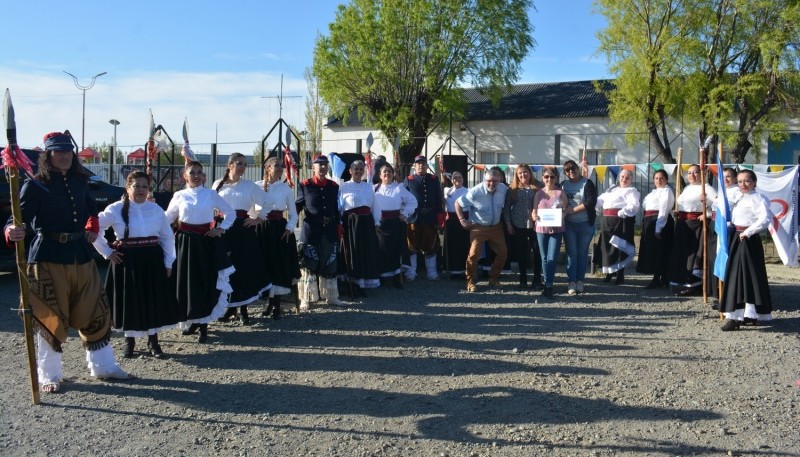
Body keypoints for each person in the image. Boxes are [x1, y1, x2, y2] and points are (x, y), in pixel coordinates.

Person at [4, 131, 132, 393]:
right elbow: (16, 219)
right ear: (48, 156)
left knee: (96, 310)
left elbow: (90, 213)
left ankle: (103, 366)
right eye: (57, 152)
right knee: (50, 315)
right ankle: (48, 373)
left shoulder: (80, 181)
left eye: (67, 152)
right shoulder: (35, 184)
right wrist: (11, 231)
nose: (63, 156)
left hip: (81, 254)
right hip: (48, 256)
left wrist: (92, 225)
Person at [92, 171, 181, 359]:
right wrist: (108, 252)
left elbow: (166, 237)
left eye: (144, 186)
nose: (141, 190)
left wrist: (168, 262)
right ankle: (129, 340)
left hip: (152, 260)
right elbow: (94, 229)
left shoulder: (156, 209)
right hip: (127, 261)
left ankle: (153, 341)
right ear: (127, 187)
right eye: (136, 186)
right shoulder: (115, 209)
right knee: (129, 300)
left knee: (151, 299)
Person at [165, 161, 235, 343]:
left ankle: (203, 325)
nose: (196, 175)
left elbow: (230, 213)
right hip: (184, 243)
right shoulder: (179, 195)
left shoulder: (211, 194)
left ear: (203, 176)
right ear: (185, 176)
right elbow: (167, 218)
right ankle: (191, 320)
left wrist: (220, 229)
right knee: (187, 282)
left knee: (205, 281)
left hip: (206, 243)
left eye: (199, 172)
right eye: (192, 172)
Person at [212, 153, 271, 325]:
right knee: (226, 269)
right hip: (223, 230)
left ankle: (243, 309)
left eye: (245, 164)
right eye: (239, 163)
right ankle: (230, 307)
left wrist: (257, 218)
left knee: (243, 268)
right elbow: (210, 205)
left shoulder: (249, 186)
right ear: (229, 165)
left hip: (242, 230)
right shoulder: (218, 184)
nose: (242, 167)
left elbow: (268, 202)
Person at [719, 169, 773, 330]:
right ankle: (744, 314)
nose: (743, 184)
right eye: (740, 181)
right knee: (738, 275)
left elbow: (765, 219)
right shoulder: (740, 197)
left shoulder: (758, 198)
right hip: (737, 237)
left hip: (747, 239)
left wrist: (747, 232)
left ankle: (740, 316)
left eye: (747, 181)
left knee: (745, 276)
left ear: (754, 182)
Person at [253, 157, 300, 319]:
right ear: (267, 168)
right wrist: (253, 224)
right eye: (276, 166)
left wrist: (289, 229)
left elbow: (293, 214)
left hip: (280, 230)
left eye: (282, 166)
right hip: (261, 230)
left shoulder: (285, 189)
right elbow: (251, 211)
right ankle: (267, 302)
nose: (280, 169)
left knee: (278, 265)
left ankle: (276, 305)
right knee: (265, 264)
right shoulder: (257, 186)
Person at [296, 155, 342, 310]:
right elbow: (298, 206)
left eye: (324, 165)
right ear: (313, 168)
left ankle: (331, 296)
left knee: (330, 261)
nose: (322, 167)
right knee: (309, 262)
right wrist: (290, 223)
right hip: (311, 230)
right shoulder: (305, 185)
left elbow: (336, 209)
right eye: (319, 165)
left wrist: (338, 225)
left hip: (329, 229)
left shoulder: (334, 186)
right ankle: (306, 298)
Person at [667, 164, 717, 296]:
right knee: (682, 255)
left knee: (695, 256)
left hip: (697, 225)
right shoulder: (687, 188)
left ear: (702, 174)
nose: (692, 175)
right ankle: (680, 282)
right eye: (689, 173)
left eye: (695, 172)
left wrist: (706, 214)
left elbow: (718, 205)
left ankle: (694, 285)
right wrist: (678, 212)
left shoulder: (707, 188)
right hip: (683, 225)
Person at [455, 168, 508, 292]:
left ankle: (493, 278)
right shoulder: (475, 192)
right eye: (489, 181)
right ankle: (471, 281)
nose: (492, 184)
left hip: (496, 227)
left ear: (500, 180)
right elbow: (457, 203)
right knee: (474, 255)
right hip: (478, 228)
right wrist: (462, 219)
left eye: (495, 181)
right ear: (484, 180)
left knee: (503, 253)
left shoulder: (503, 189)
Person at [339, 160, 381, 296]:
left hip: (367, 223)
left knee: (366, 251)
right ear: (350, 171)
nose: (358, 171)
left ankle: (364, 283)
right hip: (351, 223)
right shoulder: (343, 186)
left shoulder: (369, 187)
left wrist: (376, 223)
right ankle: (353, 283)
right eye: (355, 169)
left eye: (361, 169)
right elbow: (339, 207)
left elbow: (374, 205)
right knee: (353, 251)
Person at [374, 163, 417, 288]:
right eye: (384, 172)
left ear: (393, 174)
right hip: (380, 225)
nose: (387, 174)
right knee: (381, 251)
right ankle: (381, 276)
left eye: (389, 171)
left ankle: (396, 278)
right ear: (380, 175)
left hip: (396, 224)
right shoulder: (374, 189)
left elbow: (412, 201)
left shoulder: (399, 188)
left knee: (396, 251)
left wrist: (404, 214)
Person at [595, 169, 640, 285]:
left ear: (631, 179)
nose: (624, 179)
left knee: (619, 247)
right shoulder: (612, 190)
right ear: (619, 178)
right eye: (622, 177)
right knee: (608, 247)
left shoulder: (631, 191)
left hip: (621, 221)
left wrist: (624, 210)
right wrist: (593, 202)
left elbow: (634, 205)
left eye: (627, 177)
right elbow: (600, 199)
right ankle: (609, 272)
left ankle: (620, 275)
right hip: (606, 220)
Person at [404, 155, 444, 281]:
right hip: (414, 217)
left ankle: (431, 272)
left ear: (427, 166)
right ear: (415, 166)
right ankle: (411, 272)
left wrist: (439, 219)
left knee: (431, 244)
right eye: (418, 164)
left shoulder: (434, 179)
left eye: (423, 163)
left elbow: (438, 200)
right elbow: (404, 200)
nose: (421, 165)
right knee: (411, 246)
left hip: (430, 217)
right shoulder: (409, 180)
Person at [532, 167, 571, 298]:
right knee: (543, 258)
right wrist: (534, 217)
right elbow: (534, 211)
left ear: (556, 178)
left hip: (557, 230)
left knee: (552, 258)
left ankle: (549, 284)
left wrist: (562, 216)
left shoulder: (561, 193)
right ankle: (547, 283)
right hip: (541, 229)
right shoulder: (539, 193)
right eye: (546, 177)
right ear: (543, 178)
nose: (549, 179)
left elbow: (566, 209)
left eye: (552, 177)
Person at [561, 160, 597, 295]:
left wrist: (572, 210)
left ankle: (580, 281)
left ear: (578, 168)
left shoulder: (587, 183)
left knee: (582, 254)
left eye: (573, 169)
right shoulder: (563, 185)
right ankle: (571, 282)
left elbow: (590, 202)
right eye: (568, 171)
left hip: (585, 224)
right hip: (569, 224)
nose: (571, 172)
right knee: (571, 254)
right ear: (565, 173)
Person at [504, 164, 543, 289]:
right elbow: (506, 208)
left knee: (538, 252)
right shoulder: (512, 189)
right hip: (518, 224)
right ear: (517, 175)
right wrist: (508, 223)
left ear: (530, 173)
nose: (523, 175)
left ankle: (537, 279)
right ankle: (523, 279)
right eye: (520, 173)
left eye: (525, 172)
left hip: (535, 225)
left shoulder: (539, 187)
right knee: (521, 253)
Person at [636, 169, 675, 288]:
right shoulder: (652, 193)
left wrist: (658, 228)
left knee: (660, 250)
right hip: (650, 221)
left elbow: (663, 210)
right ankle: (659, 277)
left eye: (662, 178)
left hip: (660, 221)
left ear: (666, 180)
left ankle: (659, 278)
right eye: (656, 178)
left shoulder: (666, 191)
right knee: (653, 251)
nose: (659, 180)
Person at [442, 171, 469, 278]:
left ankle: (464, 270)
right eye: (454, 177)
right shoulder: (447, 191)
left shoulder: (468, 191)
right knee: (452, 246)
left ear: (463, 179)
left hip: (463, 221)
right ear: (451, 180)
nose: (457, 179)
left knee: (463, 245)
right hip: (451, 222)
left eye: (459, 177)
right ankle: (452, 270)